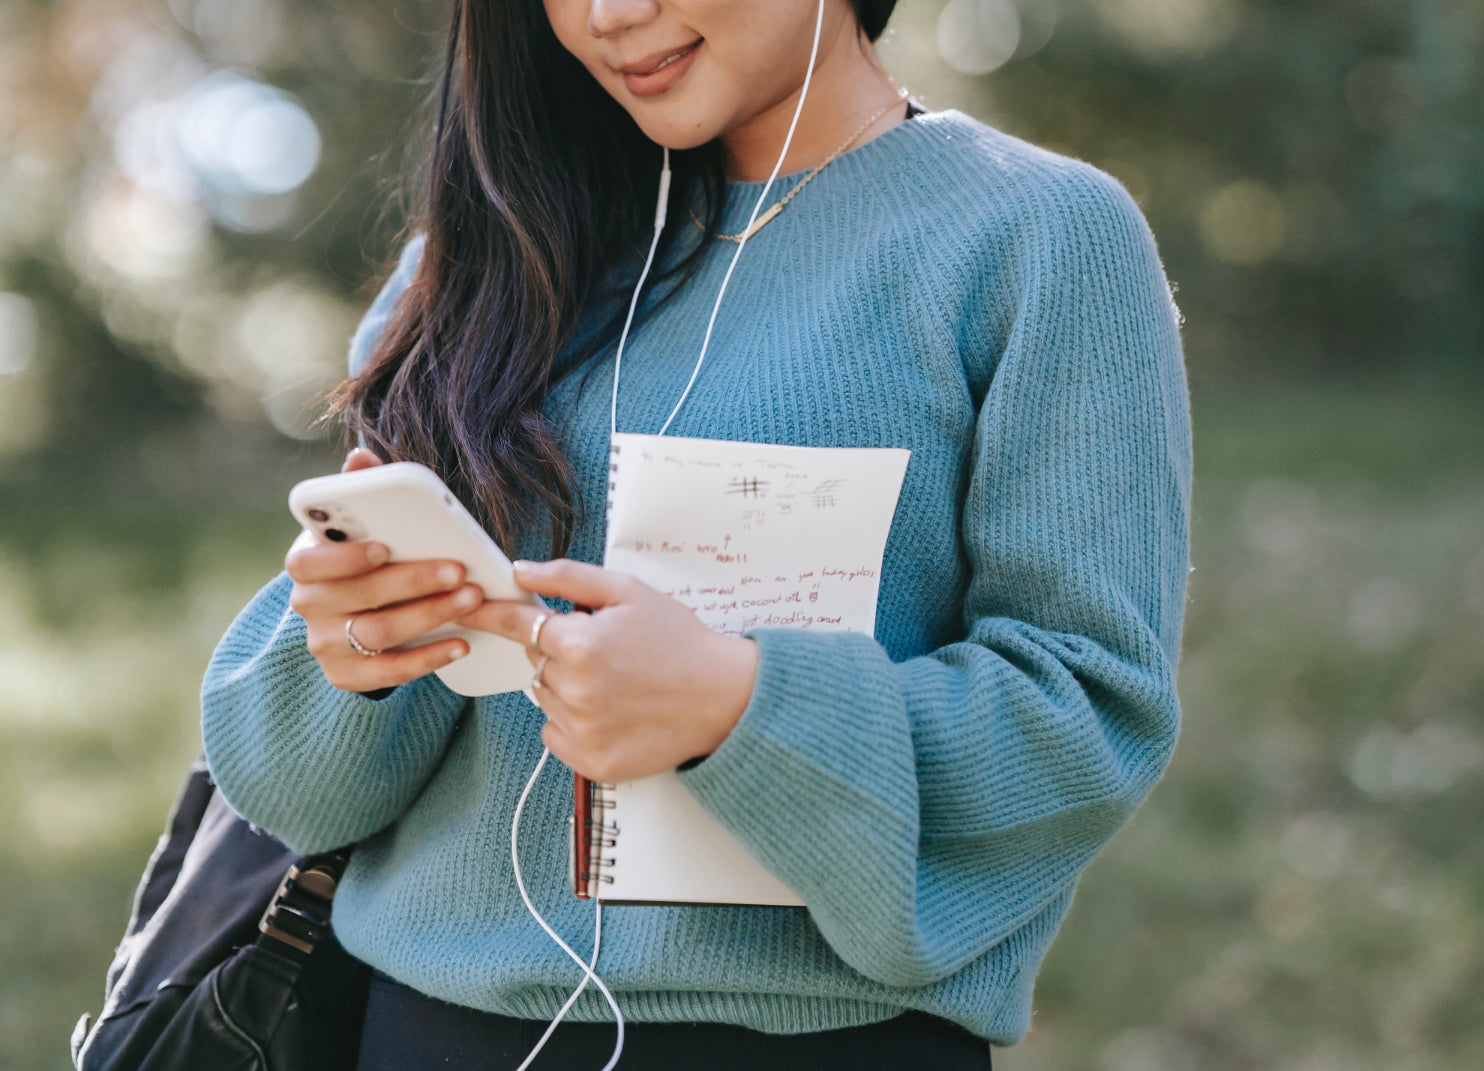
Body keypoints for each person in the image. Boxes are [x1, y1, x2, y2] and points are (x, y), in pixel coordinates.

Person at [199, 0, 1193, 1068]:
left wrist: (739, 705)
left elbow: (1088, 712)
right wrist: (355, 653)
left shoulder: (1038, 237)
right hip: (422, 1031)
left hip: (819, 1044)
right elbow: (298, 799)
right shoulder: (482, 261)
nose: (611, 14)